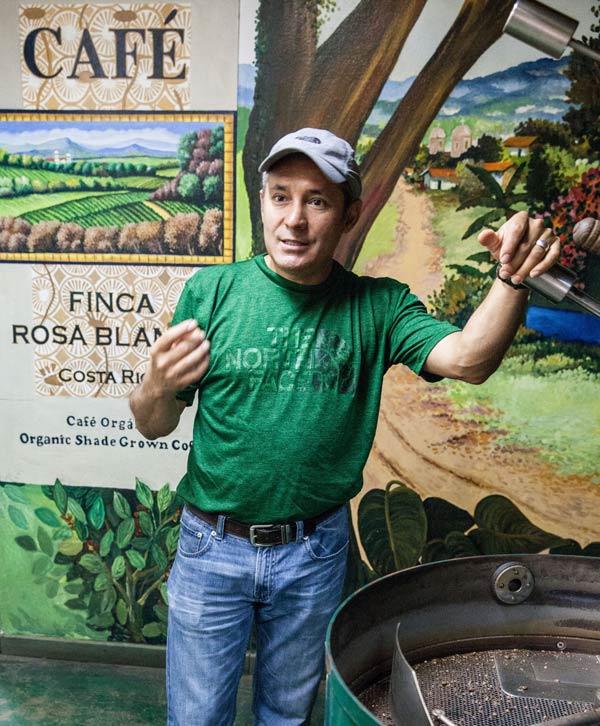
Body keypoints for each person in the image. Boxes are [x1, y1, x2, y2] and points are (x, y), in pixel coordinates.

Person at [129, 128, 561, 726]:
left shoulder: (377, 305)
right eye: (280, 197)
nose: (294, 220)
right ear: (263, 201)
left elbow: (469, 358)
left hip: (312, 552)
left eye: (317, 201)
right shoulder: (214, 291)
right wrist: (153, 384)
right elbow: (155, 424)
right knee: (196, 718)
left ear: (350, 213)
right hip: (212, 547)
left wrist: (511, 279)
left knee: (287, 715)